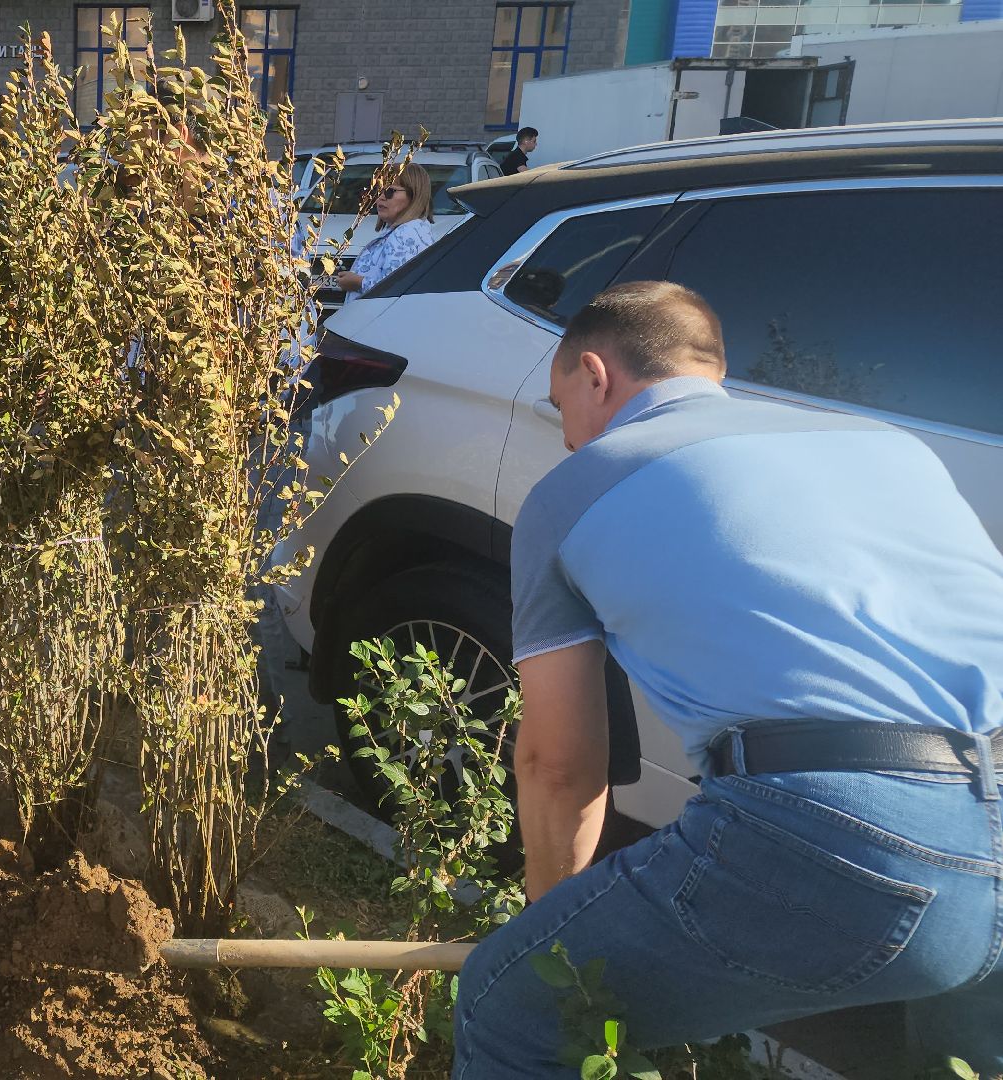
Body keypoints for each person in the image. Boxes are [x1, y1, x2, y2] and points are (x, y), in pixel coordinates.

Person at [452, 281, 1001, 1078]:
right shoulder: (885, 443)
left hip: (857, 835)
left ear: (597, 375)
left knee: (514, 1003)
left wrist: (551, 940)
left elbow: (560, 762)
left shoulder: (577, 488)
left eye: (560, 401)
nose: (569, 437)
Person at [334, 162, 433, 303]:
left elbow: (395, 288)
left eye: (390, 191)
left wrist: (358, 282)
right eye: (378, 190)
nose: (380, 197)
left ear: (414, 195)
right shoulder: (413, 229)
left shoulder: (405, 234)